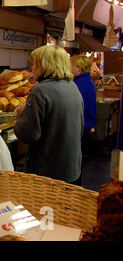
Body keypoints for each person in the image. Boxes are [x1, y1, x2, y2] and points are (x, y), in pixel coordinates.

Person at [14, 45, 84, 184]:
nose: (32, 68)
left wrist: (22, 115)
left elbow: (28, 134)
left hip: (48, 173)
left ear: (45, 64)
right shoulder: (72, 86)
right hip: (71, 168)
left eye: (35, 63)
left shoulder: (40, 91)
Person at [70, 55, 97, 155]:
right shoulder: (86, 81)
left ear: (79, 68)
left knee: (75, 155)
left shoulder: (81, 83)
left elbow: (73, 103)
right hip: (85, 124)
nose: (69, 69)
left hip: (82, 125)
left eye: (71, 66)